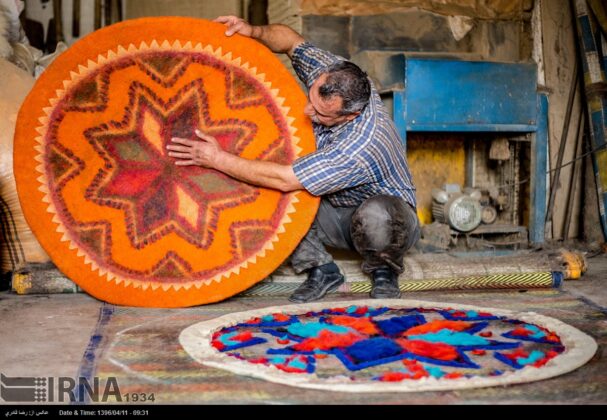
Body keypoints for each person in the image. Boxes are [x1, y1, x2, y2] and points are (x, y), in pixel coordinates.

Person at [168, 16, 420, 303]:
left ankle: (384, 270)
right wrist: (254, 30)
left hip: (388, 220)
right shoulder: (334, 75)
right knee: (272, 194)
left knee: (377, 215)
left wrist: (216, 158)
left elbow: (286, 179)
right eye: (311, 98)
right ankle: (322, 270)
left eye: (320, 113)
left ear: (350, 115)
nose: (307, 110)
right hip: (334, 208)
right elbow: (291, 41)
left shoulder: (362, 145)